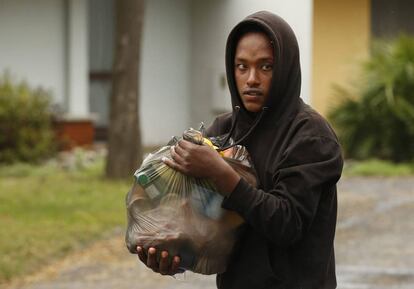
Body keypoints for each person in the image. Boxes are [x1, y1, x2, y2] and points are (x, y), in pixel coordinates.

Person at [137, 11, 343, 289]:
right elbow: (199, 217)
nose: (252, 79)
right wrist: (170, 250)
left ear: (286, 68)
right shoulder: (223, 130)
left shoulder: (311, 136)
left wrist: (222, 175)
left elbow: (288, 224)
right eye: (242, 66)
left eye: (266, 66)